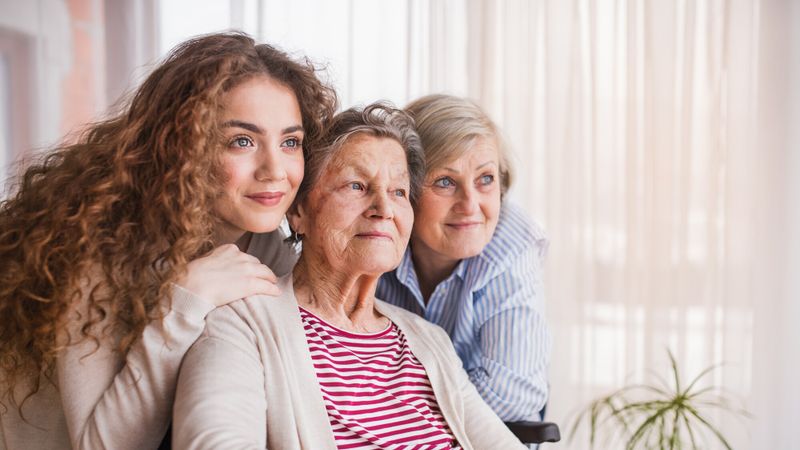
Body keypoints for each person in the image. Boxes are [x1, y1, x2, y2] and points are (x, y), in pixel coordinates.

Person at [0, 32, 337, 450]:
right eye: (242, 141)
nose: (275, 170)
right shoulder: (96, 250)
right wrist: (185, 302)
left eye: (290, 142)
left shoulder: (268, 246)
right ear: (183, 146)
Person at [173, 103, 526, 450]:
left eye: (398, 192)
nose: (384, 209)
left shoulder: (429, 341)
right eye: (356, 186)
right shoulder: (241, 324)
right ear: (298, 211)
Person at [376, 94, 551, 422]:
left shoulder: (512, 245)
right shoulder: (376, 232)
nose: (470, 205)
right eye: (445, 182)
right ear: (403, 191)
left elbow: (512, 394)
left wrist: (390, 410)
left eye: (485, 179)